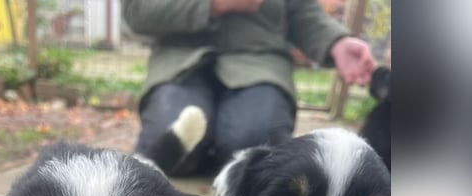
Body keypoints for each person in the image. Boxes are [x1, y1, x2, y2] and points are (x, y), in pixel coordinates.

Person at [122, 0, 376, 175]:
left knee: (255, 151)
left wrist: (336, 41)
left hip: (258, 62)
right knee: (170, 148)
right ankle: (210, 151)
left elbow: (300, 9)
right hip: (181, 62)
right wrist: (212, 5)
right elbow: (137, 11)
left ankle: (222, 148)